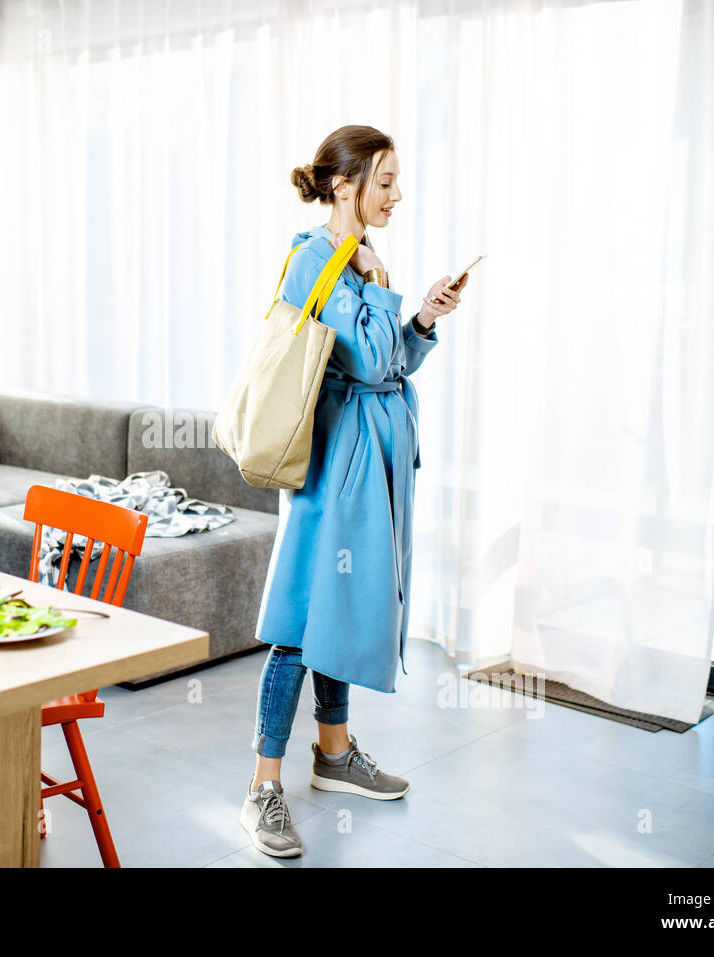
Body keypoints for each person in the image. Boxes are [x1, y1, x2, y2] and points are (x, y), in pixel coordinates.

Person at [240, 124, 466, 858]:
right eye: (387, 181)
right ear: (346, 186)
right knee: (303, 617)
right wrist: (373, 276)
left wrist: (424, 316)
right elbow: (370, 362)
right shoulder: (318, 261)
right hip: (335, 464)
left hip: (367, 462)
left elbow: (393, 353)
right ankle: (262, 788)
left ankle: (333, 751)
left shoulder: (353, 261)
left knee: (335, 606)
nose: (398, 195)